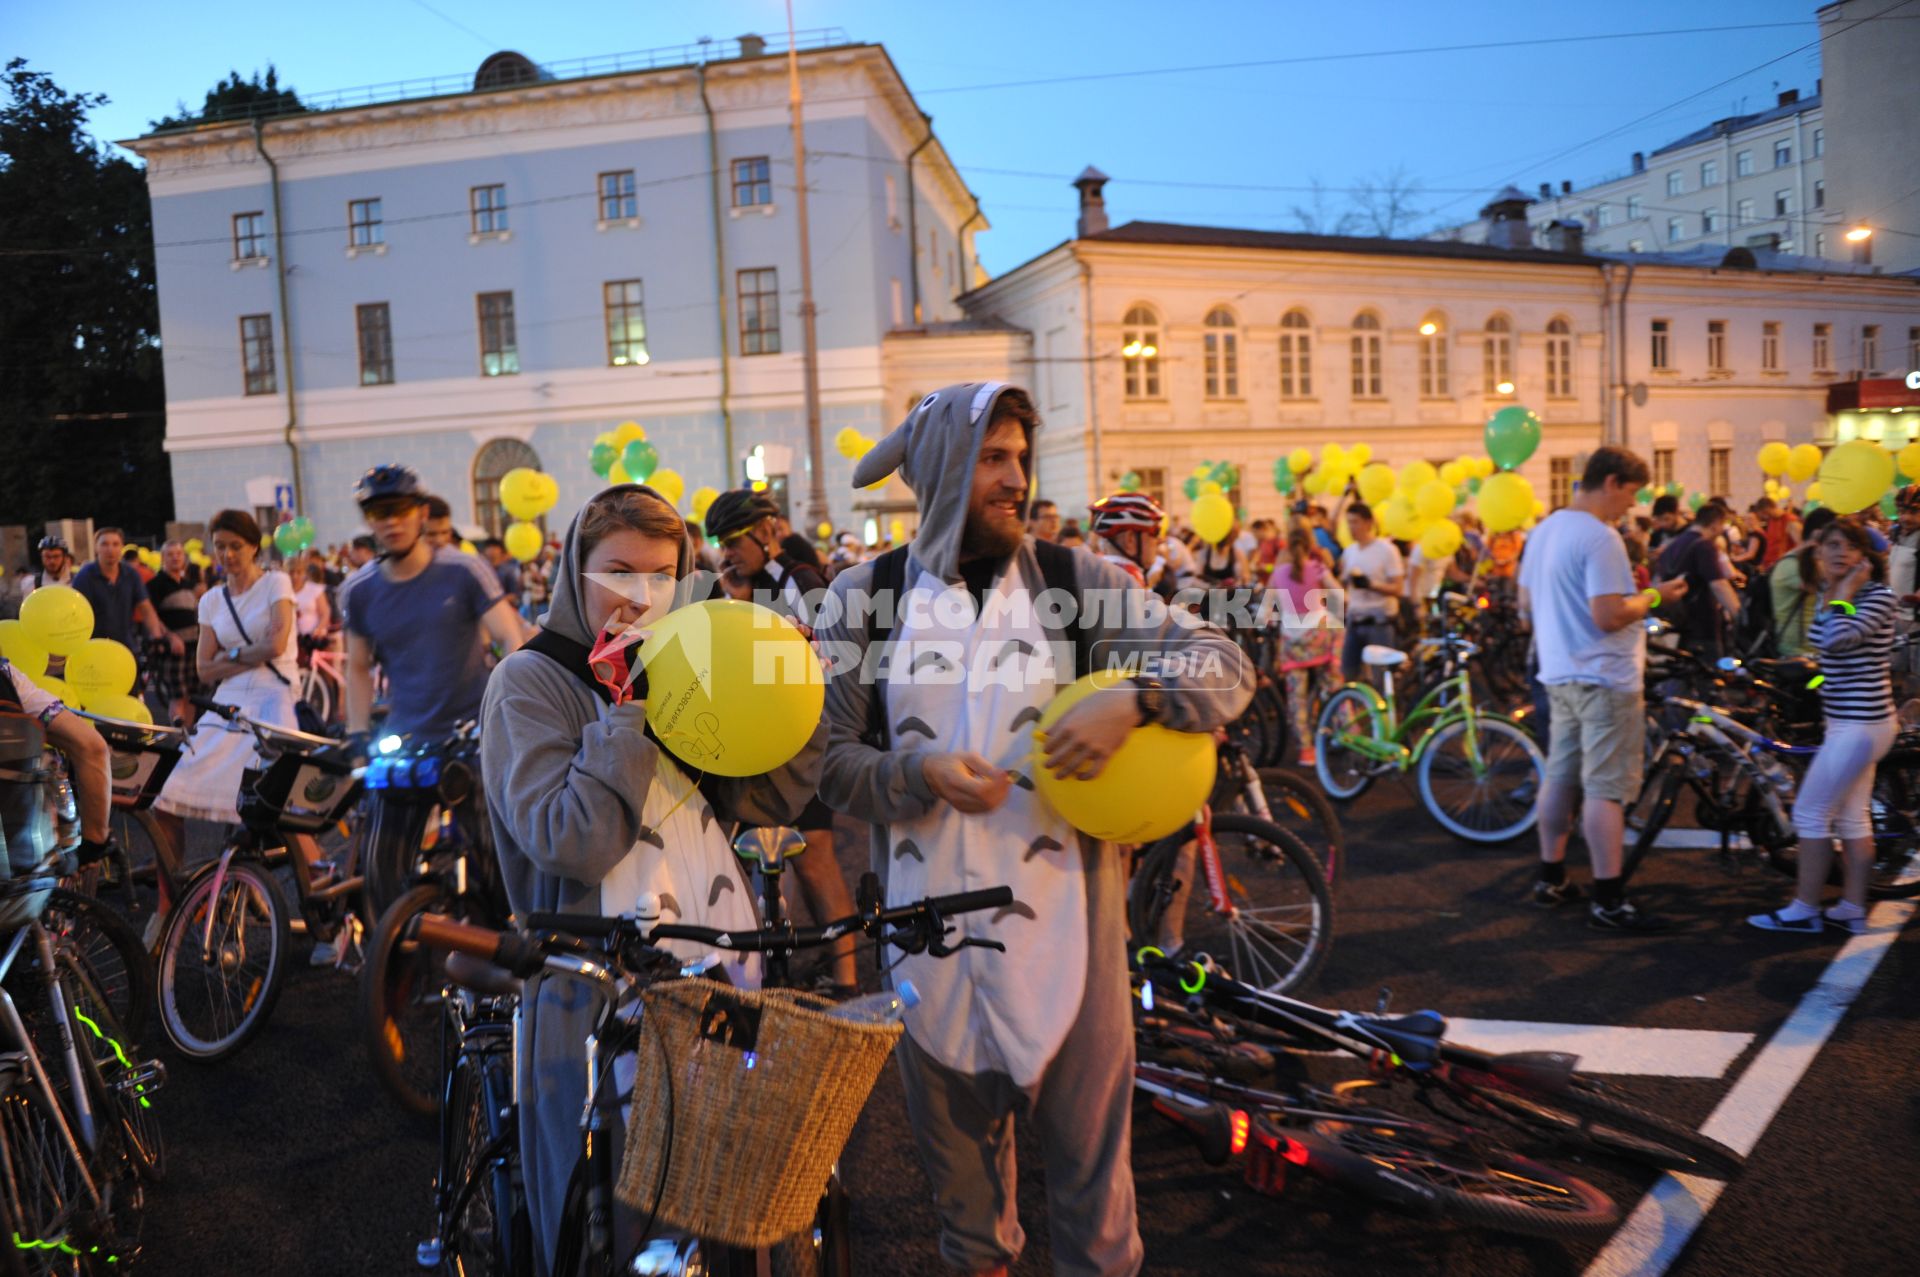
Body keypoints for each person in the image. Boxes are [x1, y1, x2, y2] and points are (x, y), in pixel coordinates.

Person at [821, 382, 1250, 1277]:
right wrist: (916, 774)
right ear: (941, 466)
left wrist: (1138, 699)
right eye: (992, 457)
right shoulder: (864, 598)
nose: (1016, 477)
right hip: (924, 950)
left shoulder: (1076, 583)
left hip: (1073, 947)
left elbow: (1227, 662)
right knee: (970, 1233)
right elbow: (825, 764)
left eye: (1021, 457)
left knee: (1098, 1228)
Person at [481, 482, 825, 1274]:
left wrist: (799, 700)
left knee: (740, 1200)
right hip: (594, 989)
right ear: (576, 570)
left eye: (661, 575)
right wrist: (630, 713)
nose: (640, 597)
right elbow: (572, 840)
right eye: (619, 571)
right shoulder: (528, 683)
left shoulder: (688, 666)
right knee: (614, 1225)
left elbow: (763, 801)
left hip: (714, 966)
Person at [341, 465, 528, 913]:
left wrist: (509, 713)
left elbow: (510, 639)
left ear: (421, 513)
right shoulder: (359, 590)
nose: (390, 521)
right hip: (406, 739)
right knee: (381, 871)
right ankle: (396, 962)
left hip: (471, 734)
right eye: (378, 512)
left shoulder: (464, 571)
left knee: (499, 863)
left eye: (400, 510)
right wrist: (356, 737)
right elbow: (359, 668)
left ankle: (517, 953)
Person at [1519, 447, 1688, 933]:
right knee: (1604, 788)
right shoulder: (1600, 538)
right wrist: (1656, 596)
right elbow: (1609, 614)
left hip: (1558, 671)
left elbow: (1523, 602)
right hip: (1604, 675)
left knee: (1560, 777)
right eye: (1631, 494)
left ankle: (1550, 878)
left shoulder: (1545, 529)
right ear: (1612, 482)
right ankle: (1609, 898)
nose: (1630, 506)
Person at [703, 487, 857, 991]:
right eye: (720, 543)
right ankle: (778, 972)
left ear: (767, 532)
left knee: (816, 860)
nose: (727, 551)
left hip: (802, 744)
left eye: (735, 540)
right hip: (761, 743)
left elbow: (830, 659)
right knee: (767, 857)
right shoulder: (749, 582)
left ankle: (849, 978)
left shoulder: (799, 580)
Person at [149, 510, 303, 931]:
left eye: (236, 545)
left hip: (274, 698)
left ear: (253, 546)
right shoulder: (211, 599)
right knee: (166, 798)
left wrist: (228, 656)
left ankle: (318, 909)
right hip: (226, 704)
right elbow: (203, 671)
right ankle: (168, 906)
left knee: (287, 807)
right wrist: (236, 659)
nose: (228, 554)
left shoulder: (276, 582)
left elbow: (276, 643)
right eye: (220, 546)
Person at [1750, 519, 1896, 936]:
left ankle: (1805, 909)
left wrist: (1844, 594)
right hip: (1847, 722)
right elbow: (1825, 644)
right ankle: (1851, 907)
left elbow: (1836, 639)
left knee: (1810, 813)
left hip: (1861, 724)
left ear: (1867, 556)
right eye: (1831, 545)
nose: (1840, 553)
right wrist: (1837, 596)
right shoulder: (1829, 593)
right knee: (1852, 819)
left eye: (1851, 546)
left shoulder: (1878, 596)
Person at [72, 527, 181, 678]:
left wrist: (157, 636)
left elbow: (146, 608)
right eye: (105, 544)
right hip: (93, 651)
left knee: (130, 696)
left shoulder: (131, 574)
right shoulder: (84, 576)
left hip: (125, 648)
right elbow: (75, 614)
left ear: (122, 547)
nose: (110, 549)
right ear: (96, 548)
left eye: (115, 544)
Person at [1269, 526, 1336, 767]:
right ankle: (1342, 729)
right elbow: (1341, 596)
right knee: (1331, 683)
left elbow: (1266, 608)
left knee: (1296, 697)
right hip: (1318, 634)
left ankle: (1305, 750)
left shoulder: (1278, 572)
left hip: (1291, 638)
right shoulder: (1318, 568)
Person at [1653, 502, 1741, 662]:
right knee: (1708, 677)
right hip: (1702, 623)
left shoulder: (1674, 545)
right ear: (1715, 524)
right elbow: (1718, 585)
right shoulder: (1705, 546)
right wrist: (1739, 614)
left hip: (1677, 623)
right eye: (1722, 524)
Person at [1337, 502, 1404, 682]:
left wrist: (1371, 584)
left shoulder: (1387, 550)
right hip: (1354, 621)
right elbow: (1343, 586)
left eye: (1355, 522)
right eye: (1348, 522)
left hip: (1379, 623)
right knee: (1348, 674)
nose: (1352, 528)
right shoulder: (1349, 552)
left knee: (1381, 678)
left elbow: (1398, 588)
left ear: (1368, 523)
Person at [1768, 507, 1840, 658]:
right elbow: (1832, 585)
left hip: (1817, 649)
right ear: (1817, 534)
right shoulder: (1792, 566)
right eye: (1834, 539)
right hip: (1798, 654)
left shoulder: (1812, 562)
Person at [148, 541, 206, 729]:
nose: (175, 557)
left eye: (179, 554)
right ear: (163, 558)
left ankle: (187, 737)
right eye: (171, 554)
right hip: (172, 649)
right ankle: (177, 734)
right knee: (177, 695)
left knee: (192, 696)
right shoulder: (155, 584)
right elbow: (152, 617)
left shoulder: (189, 585)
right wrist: (171, 637)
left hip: (194, 647)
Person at [1087, 491, 1166, 587]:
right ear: (1130, 539)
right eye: (1155, 532)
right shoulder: (1127, 579)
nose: (1159, 540)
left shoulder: (1100, 573)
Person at [15, 535, 76, 603]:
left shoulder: (77, 581)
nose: (52, 561)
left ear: (64, 557)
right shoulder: (32, 583)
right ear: (41, 557)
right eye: (47, 556)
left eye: (56, 556)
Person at [477, 537, 524, 612]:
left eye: (494, 547)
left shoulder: (508, 571)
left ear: (500, 550)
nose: (491, 550)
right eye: (489, 547)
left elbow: (515, 595)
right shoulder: (481, 570)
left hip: (507, 611)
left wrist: (495, 602)